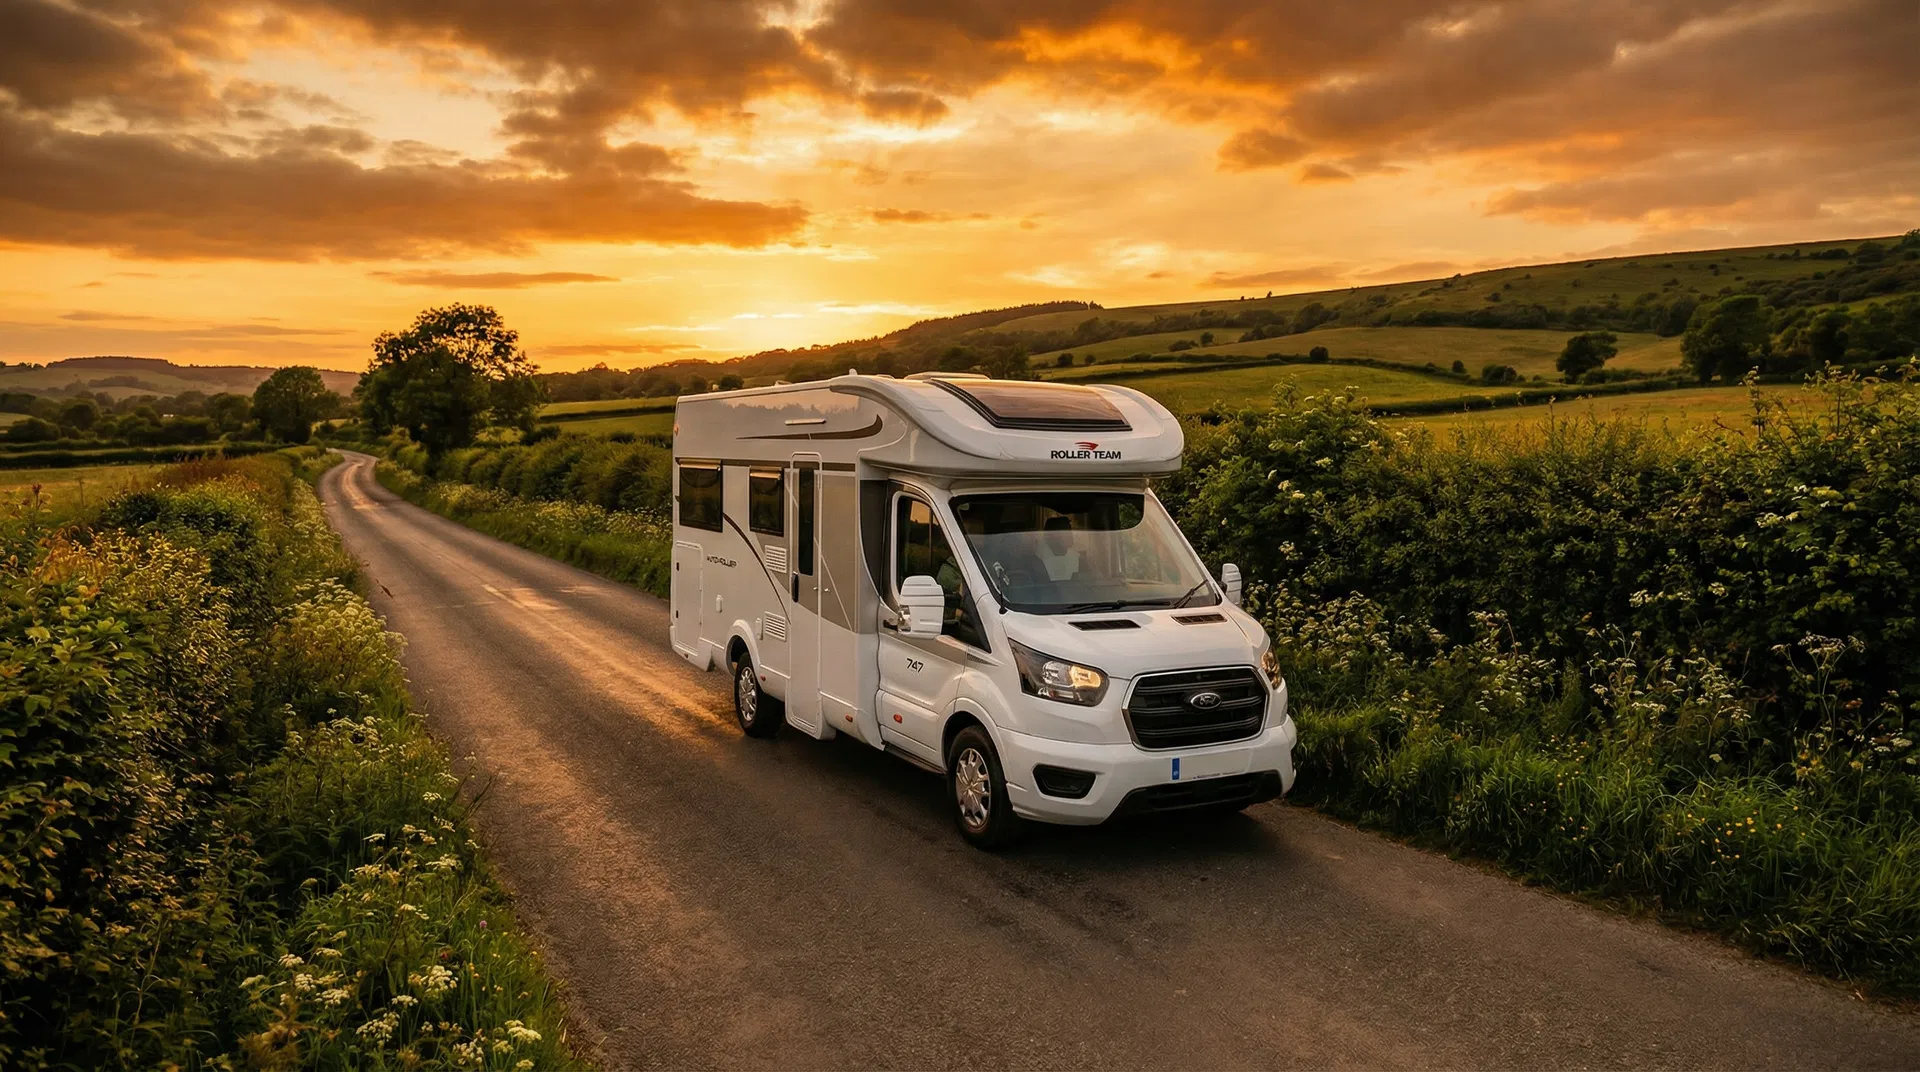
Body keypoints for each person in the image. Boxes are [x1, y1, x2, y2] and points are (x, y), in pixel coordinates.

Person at [1037, 516, 1080, 581]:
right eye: (1065, 532)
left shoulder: (1079, 559)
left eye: (1069, 532)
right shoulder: (1038, 561)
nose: (1070, 535)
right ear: (1049, 537)